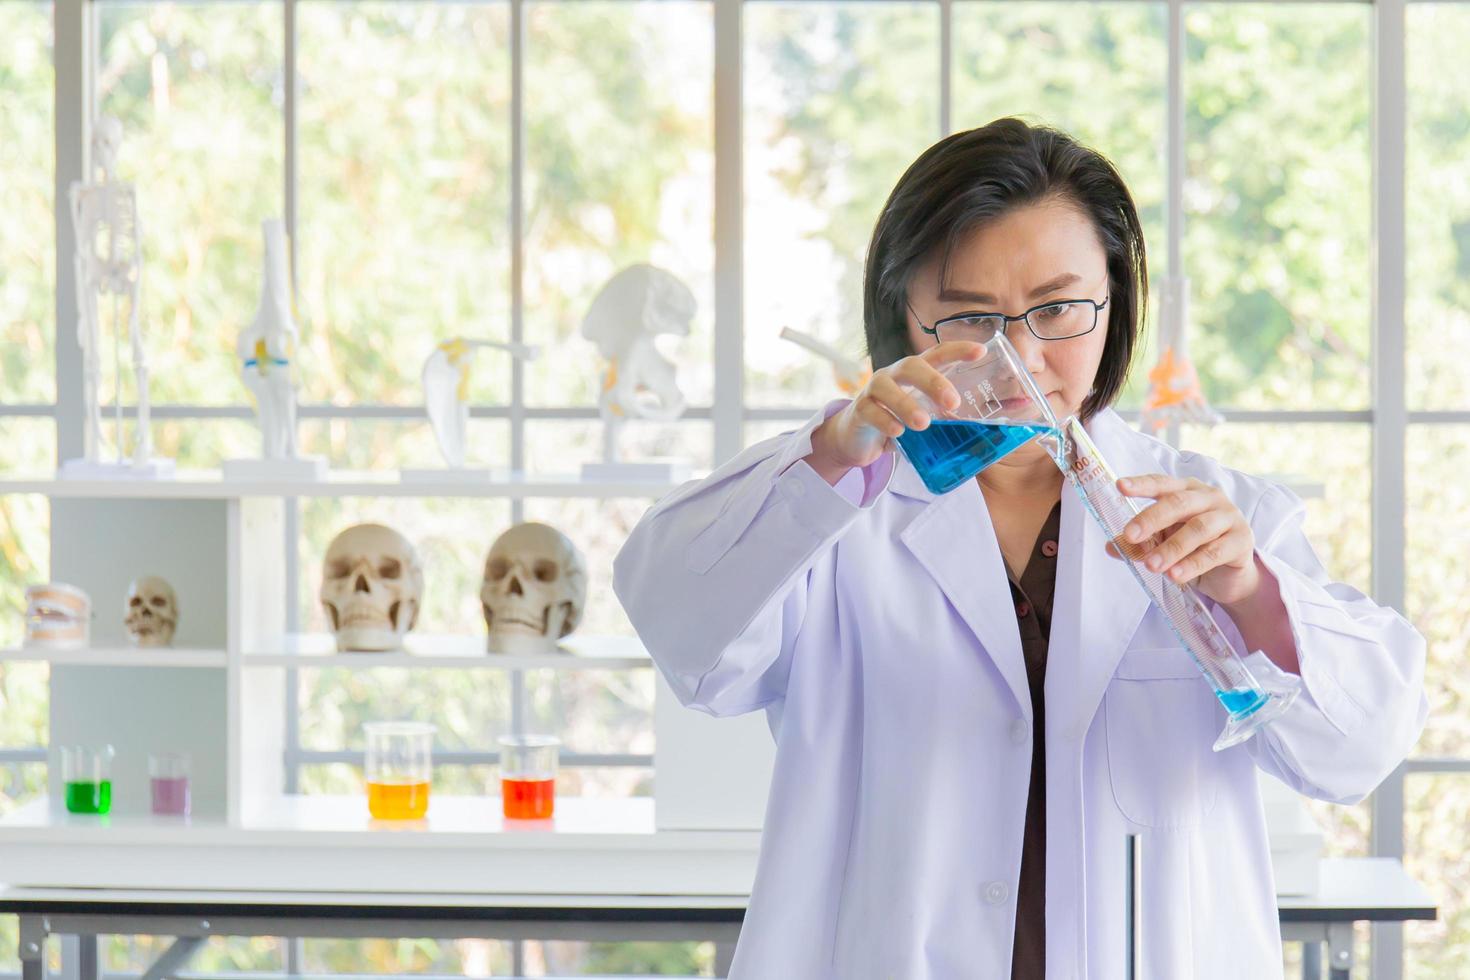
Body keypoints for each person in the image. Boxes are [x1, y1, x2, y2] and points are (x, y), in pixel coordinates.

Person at [613, 118, 1427, 979]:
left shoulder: (1221, 515)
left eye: (1061, 308)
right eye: (972, 317)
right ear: (906, 320)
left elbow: (1357, 751)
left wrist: (1250, 591)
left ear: (1114, 301)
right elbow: (683, 630)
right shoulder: (841, 506)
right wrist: (832, 454)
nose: (1024, 357)